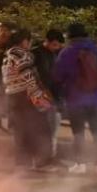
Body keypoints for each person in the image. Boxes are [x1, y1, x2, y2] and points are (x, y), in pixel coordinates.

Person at [55, 23, 97, 174]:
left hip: (76, 98)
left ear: (69, 36)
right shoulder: (96, 50)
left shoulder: (67, 52)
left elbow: (58, 75)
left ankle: (81, 163)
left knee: (78, 132)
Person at [1, 28, 54, 169]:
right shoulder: (20, 54)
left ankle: (23, 163)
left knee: (21, 130)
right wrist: (37, 95)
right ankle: (42, 160)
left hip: (13, 96)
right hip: (24, 95)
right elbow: (27, 75)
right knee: (41, 128)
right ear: (25, 41)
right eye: (29, 41)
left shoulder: (8, 55)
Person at [33, 29, 64, 160]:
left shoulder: (51, 54)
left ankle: (47, 157)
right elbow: (44, 78)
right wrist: (52, 98)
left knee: (50, 129)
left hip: (49, 96)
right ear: (48, 42)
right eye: (55, 45)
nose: (56, 48)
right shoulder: (38, 54)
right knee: (47, 129)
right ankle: (44, 158)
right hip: (43, 97)